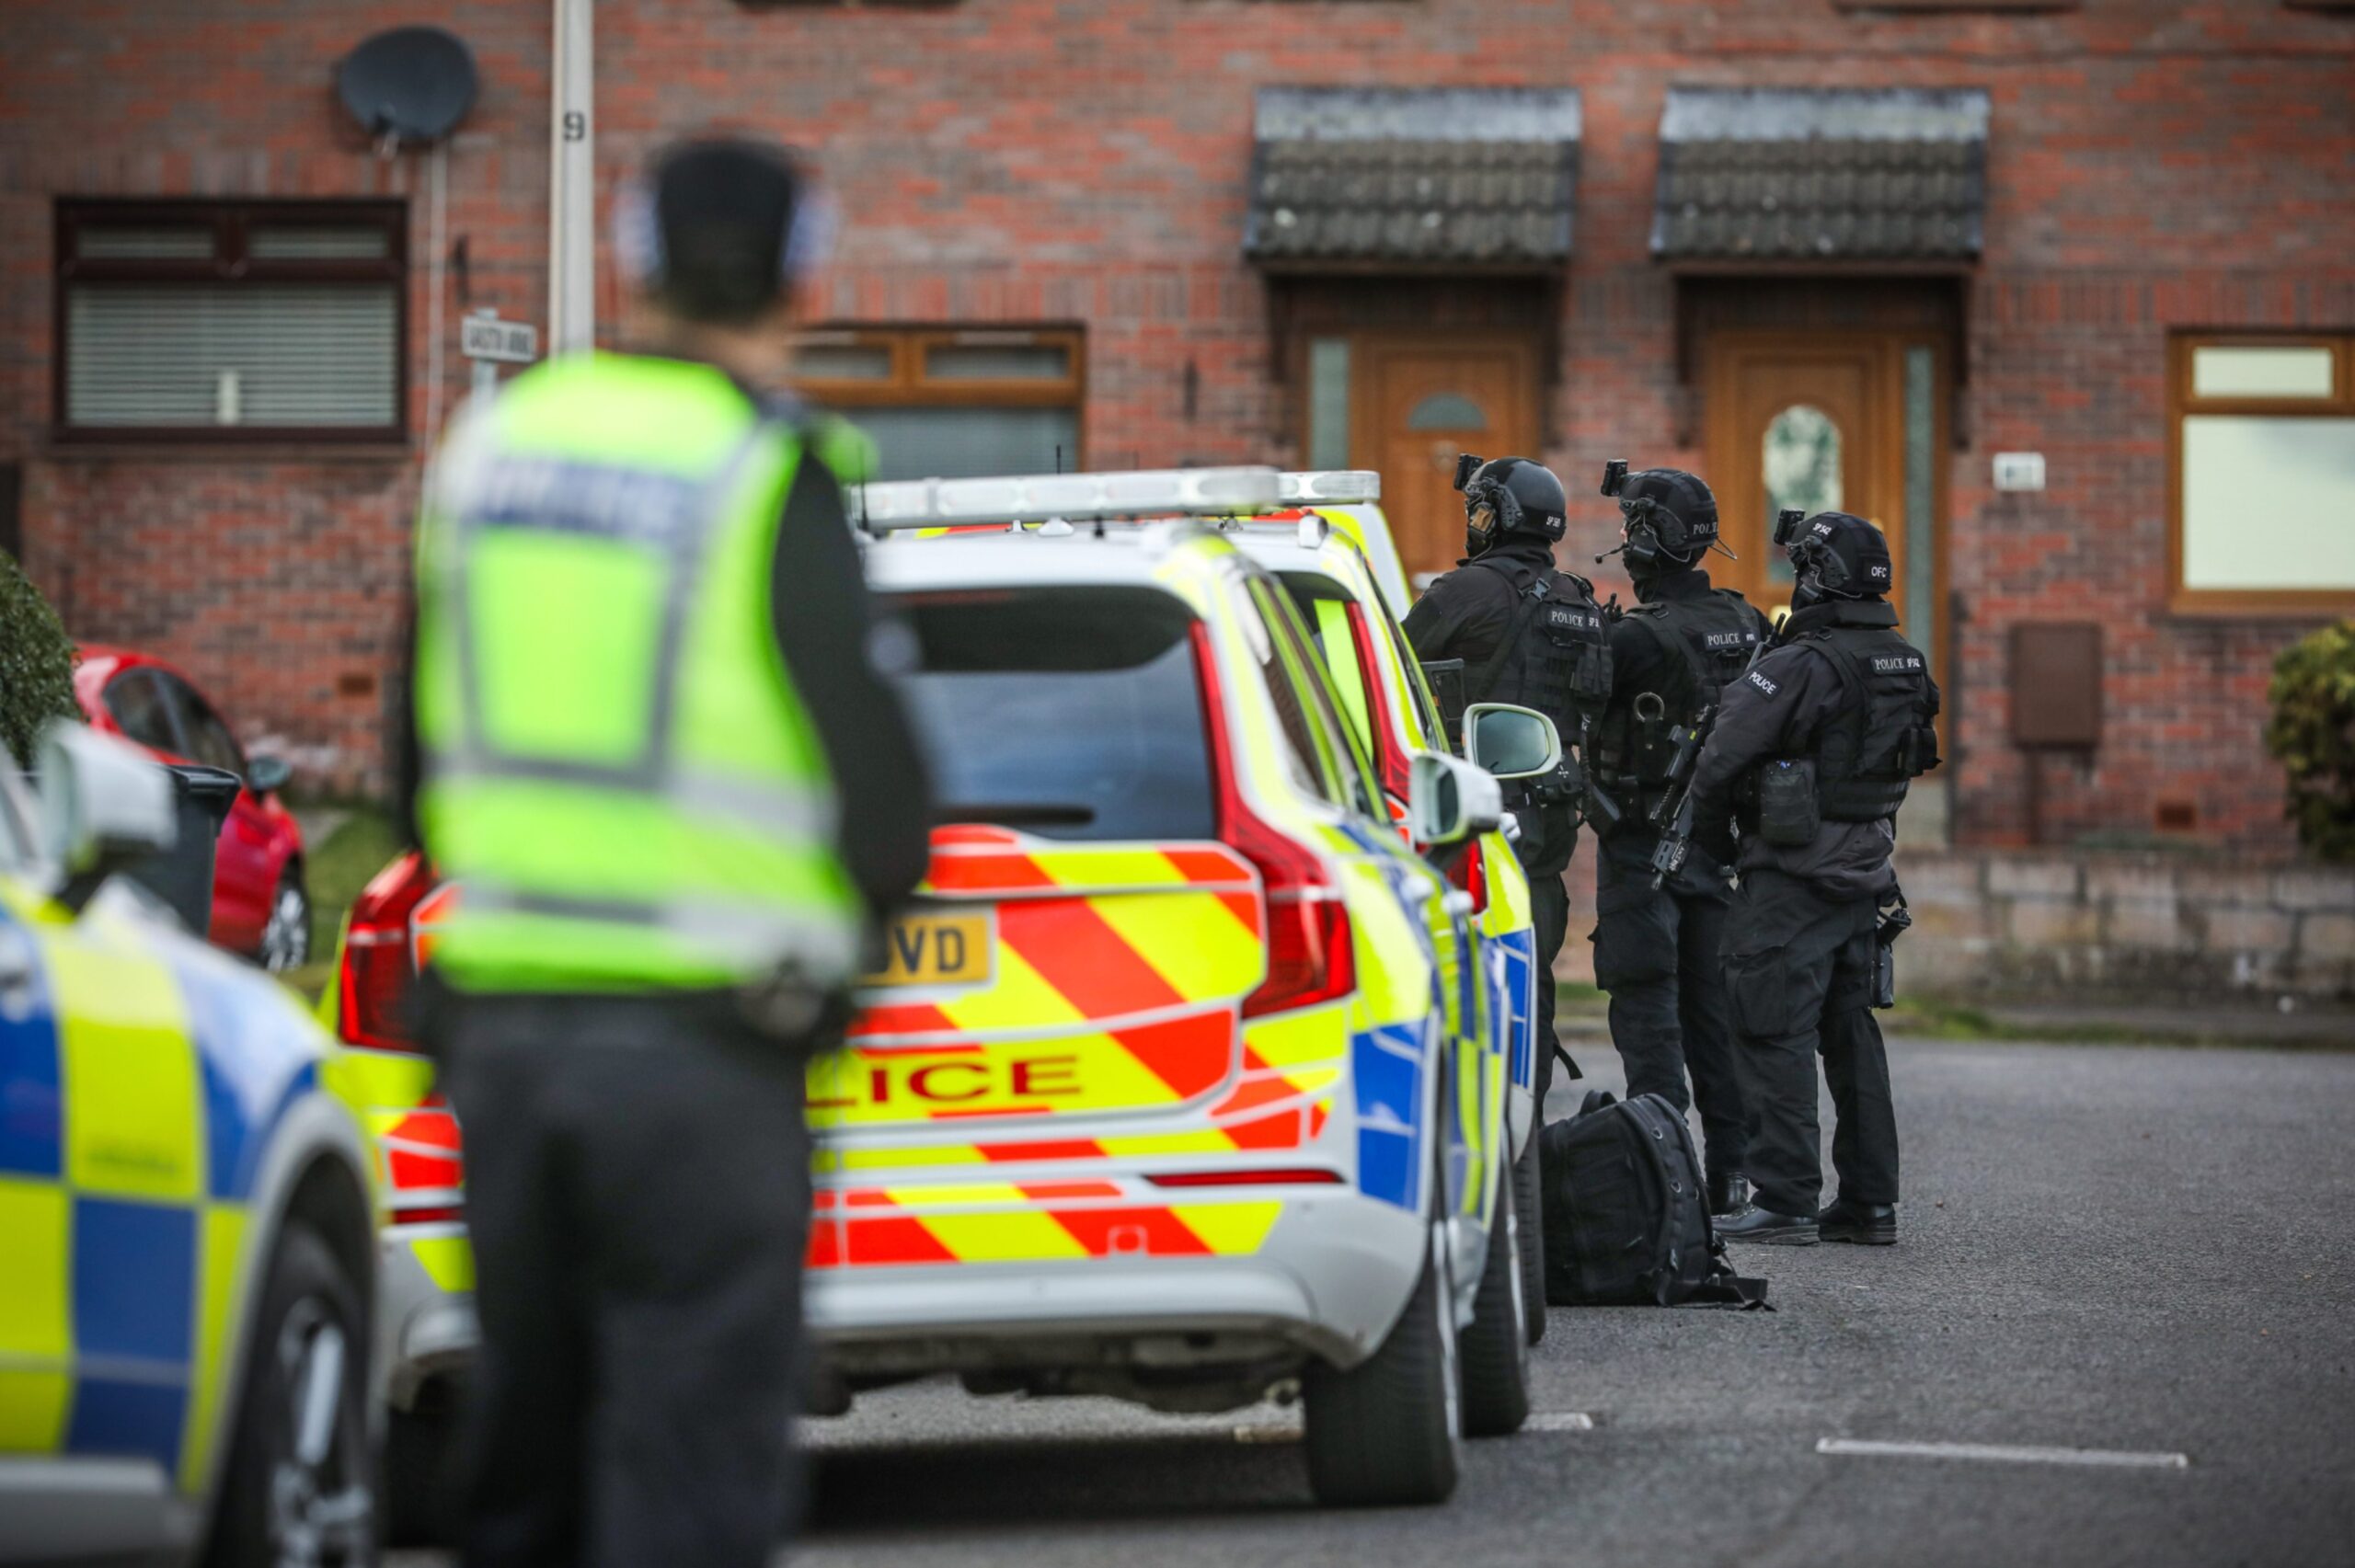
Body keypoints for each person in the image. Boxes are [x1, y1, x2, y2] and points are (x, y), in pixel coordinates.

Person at [405, 137, 932, 1566]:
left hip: (505, 1047)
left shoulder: (493, 450)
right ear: (808, 277)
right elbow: (887, 808)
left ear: (629, 262)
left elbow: (412, 774)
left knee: (526, 1466)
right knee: (691, 1473)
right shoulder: (764, 469)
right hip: (707, 1055)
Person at [1686, 510, 1940, 1246]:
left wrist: (1713, 847)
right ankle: (1870, 1202)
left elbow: (1720, 756)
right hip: (1863, 871)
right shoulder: (1904, 659)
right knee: (1850, 1034)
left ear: (1820, 576)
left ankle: (1786, 1195)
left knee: (1769, 1026)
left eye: (1803, 567)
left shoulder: (1802, 663)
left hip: (1790, 876)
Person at [1585, 465, 1770, 1217]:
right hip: (1721, 847)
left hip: (1640, 844)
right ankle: (1730, 1174)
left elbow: (1580, 707)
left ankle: (1665, 1177)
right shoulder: (1748, 620)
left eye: (1633, 529)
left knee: (1646, 1004)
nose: (1625, 544)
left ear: (1651, 541)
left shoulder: (1638, 638)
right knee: (1713, 1012)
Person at [1403, 455, 1612, 1116]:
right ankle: (1528, 1139)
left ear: (1500, 515)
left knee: (1464, 973)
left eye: (1481, 508)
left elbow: (1390, 670)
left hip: (1475, 812)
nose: (1475, 521)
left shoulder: (1466, 593)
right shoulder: (1580, 600)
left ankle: (1475, 1127)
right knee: (1534, 973)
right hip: (1553, 819)